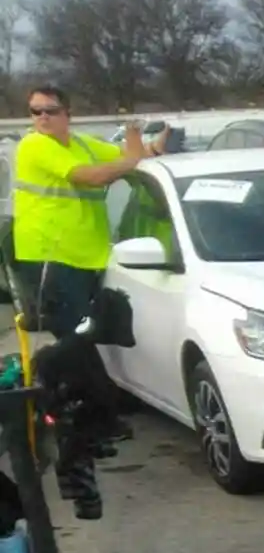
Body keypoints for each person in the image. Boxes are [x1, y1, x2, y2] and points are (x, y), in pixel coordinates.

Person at [10, 86, 166, 517]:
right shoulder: (35, 146)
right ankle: (87, 421)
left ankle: (86, 415)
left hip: (87, 258)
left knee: (86, 337)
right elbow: (95, 176)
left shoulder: (79, 142)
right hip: (50, 258)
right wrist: (133, 157)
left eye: (50, 110)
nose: (41, 117)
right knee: (75, 340)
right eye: (35, 111)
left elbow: (124, 157)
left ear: (68, 113)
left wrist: (151, 145)